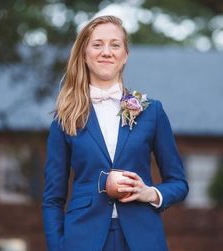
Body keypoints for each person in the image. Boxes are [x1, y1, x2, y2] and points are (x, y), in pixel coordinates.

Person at [42, 15, 189, 251]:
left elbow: (179, 183)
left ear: (125, 56)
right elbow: (52, 200)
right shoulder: (64, 118)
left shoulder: (152, 112)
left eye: (115, 45)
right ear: (84, 54)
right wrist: (57, 247)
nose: (106, 52)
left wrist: (149, 193)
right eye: (97, 44)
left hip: (143, 239)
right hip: (82, 239)